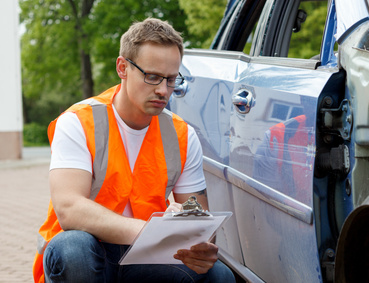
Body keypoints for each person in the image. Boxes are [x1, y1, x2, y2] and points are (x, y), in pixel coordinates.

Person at [32, 18, 235, 283]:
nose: (163, 90)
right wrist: (153, 230)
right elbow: (69, 208)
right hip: (90, 254)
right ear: (123, 67)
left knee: (219, 276)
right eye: (152, 77)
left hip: (146, 256)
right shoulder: (79, 121)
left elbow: (200, 222)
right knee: (74, 248)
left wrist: (199, 244)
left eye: (171, 79)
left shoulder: (182, 134)